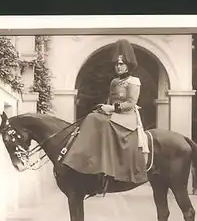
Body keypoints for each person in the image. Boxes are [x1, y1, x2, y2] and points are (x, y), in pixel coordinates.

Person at [62, 39, 150, 194]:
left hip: (127, 116)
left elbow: (130, 103)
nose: (118, 66)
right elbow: (110, 100)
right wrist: (104, 108)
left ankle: (104, 167)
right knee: (92, 117)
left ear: (128, 64)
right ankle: (86, 162)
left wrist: (111, 108)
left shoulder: (134, 81)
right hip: (114, 114)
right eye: (116, 64)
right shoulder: (114, 81)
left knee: (96, 120)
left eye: (122, 63)